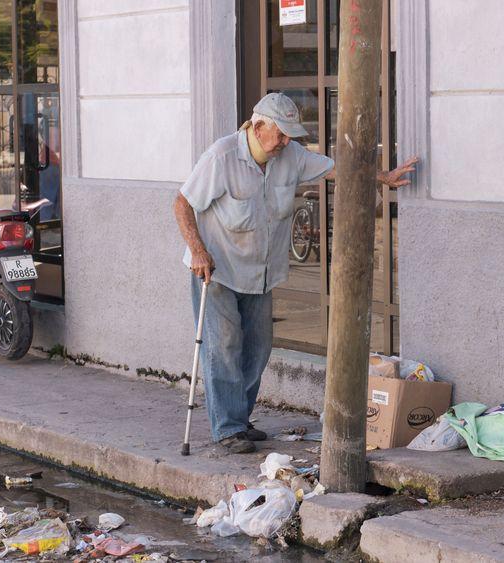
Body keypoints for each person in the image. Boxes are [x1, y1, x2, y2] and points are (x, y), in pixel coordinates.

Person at [174, 93, 417, 453]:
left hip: (261, 273)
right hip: (218, 270)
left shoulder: (291, 157)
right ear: (258, 127)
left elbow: (338, 168)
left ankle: (238, 418)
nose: (286, 142)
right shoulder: (221, 157)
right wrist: (197, 250)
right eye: (281, 135)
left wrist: (383, 176)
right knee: (224, 348)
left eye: (290, 136)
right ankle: (227, 428)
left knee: (258, 347)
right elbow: (182, 203)